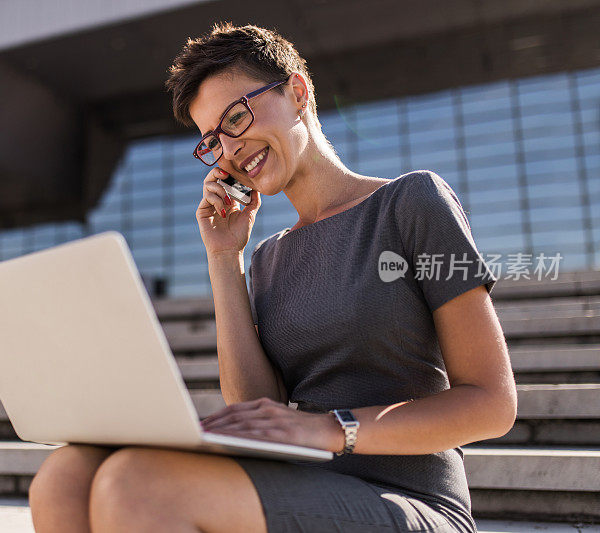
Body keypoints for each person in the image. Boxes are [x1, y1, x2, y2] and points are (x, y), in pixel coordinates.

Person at [27, 22, 517, 533]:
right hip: (301, 480)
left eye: (236, 117)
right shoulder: (267, 257)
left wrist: (331, 430)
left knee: (137, 483)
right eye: (212, 140)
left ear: (297, 91)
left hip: (410, 498)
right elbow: (255, 408)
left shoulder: (411, 202)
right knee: (65, 473)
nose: (229, 149)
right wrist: (224, 258)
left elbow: (492, 404)